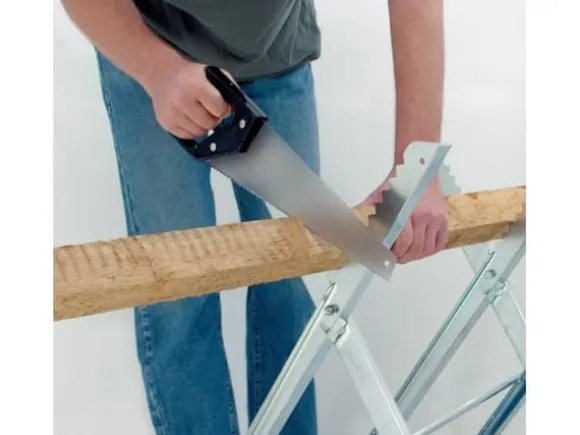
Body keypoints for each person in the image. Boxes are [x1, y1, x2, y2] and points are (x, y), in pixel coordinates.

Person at [61, 0, 448, 433]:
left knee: (294, 289)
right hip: (150, 42)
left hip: (276, 52)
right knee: (177, 298)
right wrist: (156, 69)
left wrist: (417, 169)